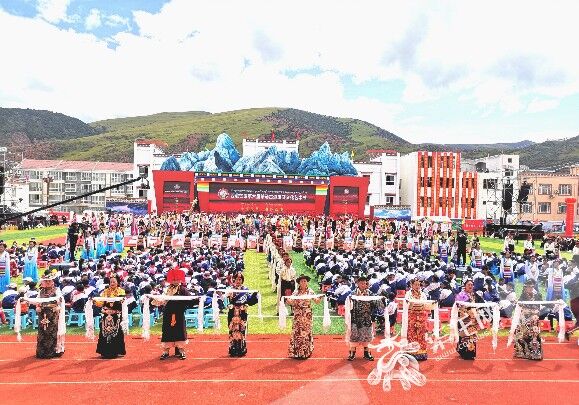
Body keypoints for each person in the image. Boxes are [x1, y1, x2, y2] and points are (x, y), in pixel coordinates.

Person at [156, 268, 192, 360]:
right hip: (168, 313)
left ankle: (181, 351)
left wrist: (198, 299)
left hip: (179, 313)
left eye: (177, 279)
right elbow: (162, 300)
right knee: (167, 332)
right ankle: (166, 351)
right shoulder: (167, 289)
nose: (175, 281)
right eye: (174, 279)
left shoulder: (183, 289)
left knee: (180, 332)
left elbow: (190, 299)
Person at [287, 274, 320, 359]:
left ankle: (306, 352)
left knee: (306, 332)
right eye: (302, 281)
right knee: (297, 332)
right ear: (299, 283)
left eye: (305, 281)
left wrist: (320, 297)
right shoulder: (296, 292)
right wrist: (288, 300)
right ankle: (297, 353)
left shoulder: (310, 291)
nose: (304, 282)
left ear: (307, 282)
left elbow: (316, 301)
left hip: (307, 315)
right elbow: (291, 302)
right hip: (298, 314)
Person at [226, 272, 258, 357]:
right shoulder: (230, 289)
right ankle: (233, 349)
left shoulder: (245, 290)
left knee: (242, 329)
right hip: (232, 312)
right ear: (234, 280)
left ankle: (241, 349)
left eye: (240, 279)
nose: (238, 281)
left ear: (242, 280)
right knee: (232, 329)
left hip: (242, 312)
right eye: (236, 279)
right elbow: (225, 298)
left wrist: (254, 294)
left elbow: (250, 301)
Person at [347, 275, 378, 361]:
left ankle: (367, 353)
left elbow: (375, 303)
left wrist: (380, 299)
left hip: (366, 318)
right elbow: (348, 303)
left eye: (365, 283)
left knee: (367, 335)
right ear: (357, 284)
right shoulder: (352, 293)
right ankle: (352, 353)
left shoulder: (370, 293)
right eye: (362, 283)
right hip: (355, 318)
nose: (363, 285)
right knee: (354, 335)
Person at [95, 275, 126, 359]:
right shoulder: (105, 291)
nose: (112, 283)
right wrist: (95, 301)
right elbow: (101, 303)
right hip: (106, 315)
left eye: (114, 282)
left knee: (116, 331)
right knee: (104, 332)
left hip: (116, 315)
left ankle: (115, 351)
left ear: (117, 282)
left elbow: (120, 302)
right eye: (111, 282)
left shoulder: (121, 291)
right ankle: (104, 352)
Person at [34, 274, 64, 359]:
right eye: (45, 281)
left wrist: (58, 306)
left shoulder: (56, 290)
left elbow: (60, 300)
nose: (47, 282)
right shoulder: (41, 291)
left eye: (49, 281)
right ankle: (42, 352)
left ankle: (52, 352)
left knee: (52, 333)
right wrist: (37, 306)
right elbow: (37, 301)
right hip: (42, 314)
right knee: (42, 332)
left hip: (53, 314)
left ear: (52, 282)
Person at [454, 279, 484, 360]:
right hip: (464, 319)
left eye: (471, 285)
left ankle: (470, 353)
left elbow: (481, 304)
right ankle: (464, 353)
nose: (470, 286)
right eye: (468, 285)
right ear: (465, 286)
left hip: (473, 319)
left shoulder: (474, 294)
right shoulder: (461, 295)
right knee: (465, 335)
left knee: (472, 335)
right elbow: (458, 305)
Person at [513, 280, 543, 361]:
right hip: (524, 319)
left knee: (534, 334)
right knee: (520, 334)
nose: (530, 288)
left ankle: (535, 354)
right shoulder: (523, 295)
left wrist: (531, 311)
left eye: (531, 286)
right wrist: (518, 303)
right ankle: (522, 352)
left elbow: (539, 307)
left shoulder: (538, 295)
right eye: (528, 287)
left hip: (534, 319)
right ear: (525, 287)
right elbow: (520, 305)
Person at [405, 278, 429, 361]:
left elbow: (426, 305)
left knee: (421, 335)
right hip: (412, 317)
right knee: (412, 334)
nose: (417, 286)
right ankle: (412, 353)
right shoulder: (408, 294)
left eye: (419, 284)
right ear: (411, 285)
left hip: (422, 317)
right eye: (415, 284)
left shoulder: (423, 294)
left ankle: (422, 353)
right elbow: (407, 305)